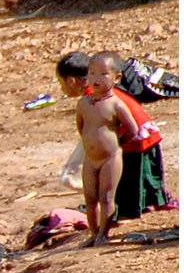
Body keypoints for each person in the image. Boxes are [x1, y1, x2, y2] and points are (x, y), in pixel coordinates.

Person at [55, 51, 174, 218]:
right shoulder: (102, 88)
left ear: (71, 80)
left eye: (61, 82)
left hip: (135, 141)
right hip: (147, 135)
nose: (62, 88)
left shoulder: (93, 99)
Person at [77, 53, 140, 246]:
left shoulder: (116, 104)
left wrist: (117, 143)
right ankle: (93, 233)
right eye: (91, 73)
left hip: (110, 158)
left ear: (116, 77)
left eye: (103, 74)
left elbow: (132, 129)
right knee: (90, 198)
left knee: (106, 197)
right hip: (90, 158)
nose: (96, 78)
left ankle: (103, 234)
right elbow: (81, 126)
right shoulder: (83, 103)